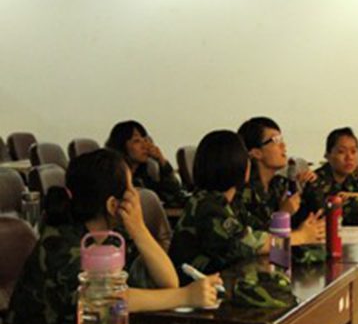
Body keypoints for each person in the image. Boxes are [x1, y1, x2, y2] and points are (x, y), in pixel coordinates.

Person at [7, 149, 220, 324]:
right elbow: (109, 299)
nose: (135, 194)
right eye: (131, 188)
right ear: (112, 205)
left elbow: (168, 281)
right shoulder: (60, 244)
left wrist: (139, 229)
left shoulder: (111, 237)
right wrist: (185, 296)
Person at [169, 130, 271, 281]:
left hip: (220, 281)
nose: (249, 163)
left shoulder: (233, 201)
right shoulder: (208, 206)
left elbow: (259, 228)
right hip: (195, 288)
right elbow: (246, 244)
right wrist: (300, 236)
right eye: (246, 158)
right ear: (234, 163)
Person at [235, 117, 325, 245]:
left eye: (281, 139)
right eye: (276, 140)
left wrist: (311, 185)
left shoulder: (280, 185)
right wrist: (283, 214)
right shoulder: (243, 192)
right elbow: (253, 242)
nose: (283, 146)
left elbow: (317, 217)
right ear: (256, 153)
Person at [299, 127, 358, 223]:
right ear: (327, 155)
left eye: (353, 152)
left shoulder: (352, 178)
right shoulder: (315, 181)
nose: (349, 157)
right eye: (341, 152)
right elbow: (328, 213)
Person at [106, 120, 185, 207]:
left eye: (145, 140)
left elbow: (175, 195)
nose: (145, 146)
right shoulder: (115, 179)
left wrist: (161, 160)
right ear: (121, 145)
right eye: (137, 141)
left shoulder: (143, 177)